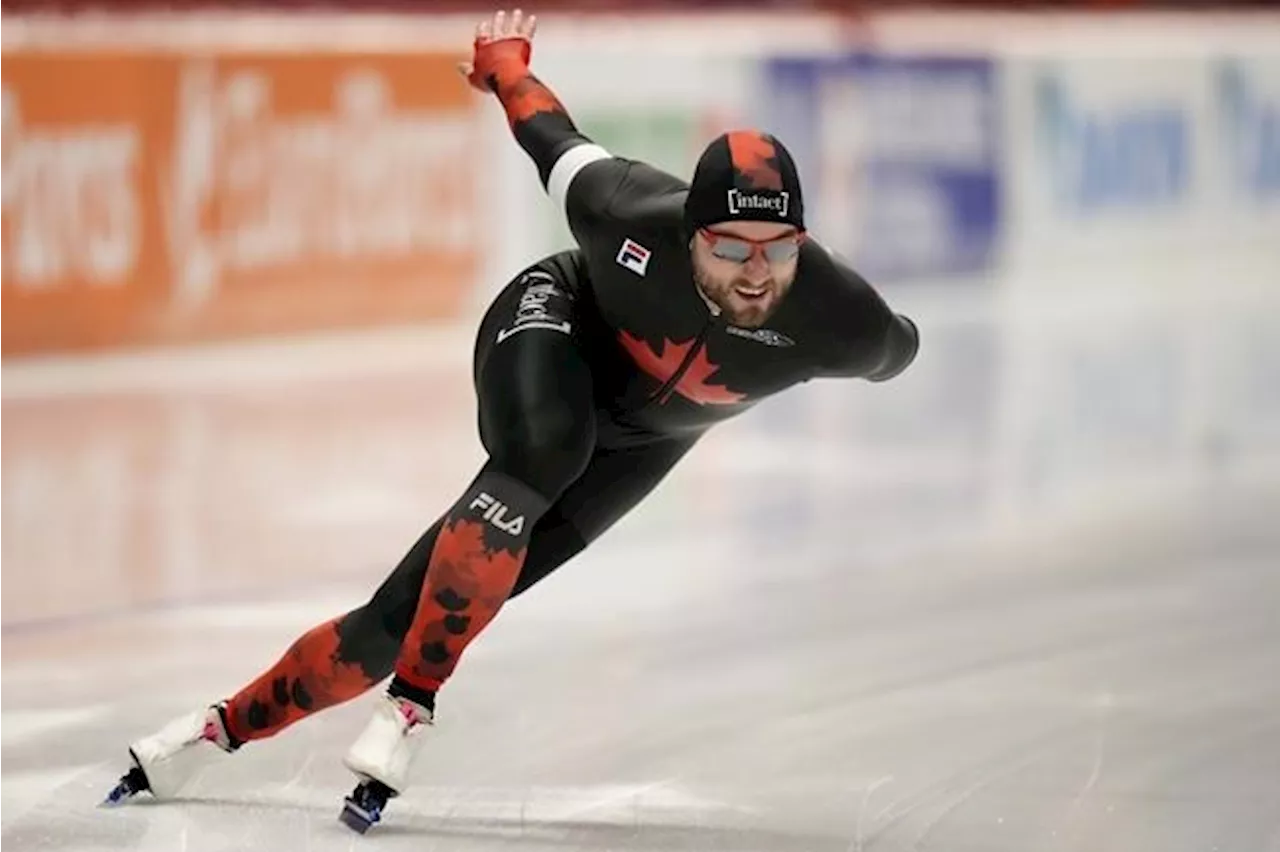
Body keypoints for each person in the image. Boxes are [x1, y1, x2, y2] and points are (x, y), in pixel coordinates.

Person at [103, 7, 920, 832]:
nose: (755, 273)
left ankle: (210, 734)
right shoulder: (624, 207)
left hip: (649, 441)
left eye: (777, 248)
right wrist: (502, 63)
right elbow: (549, 132)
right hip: (555, 326)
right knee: (545, 447)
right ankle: (412, 710)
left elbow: (901, 349)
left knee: (400, 622)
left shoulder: (843, 317)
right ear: (685, 231)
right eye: (730, 247)